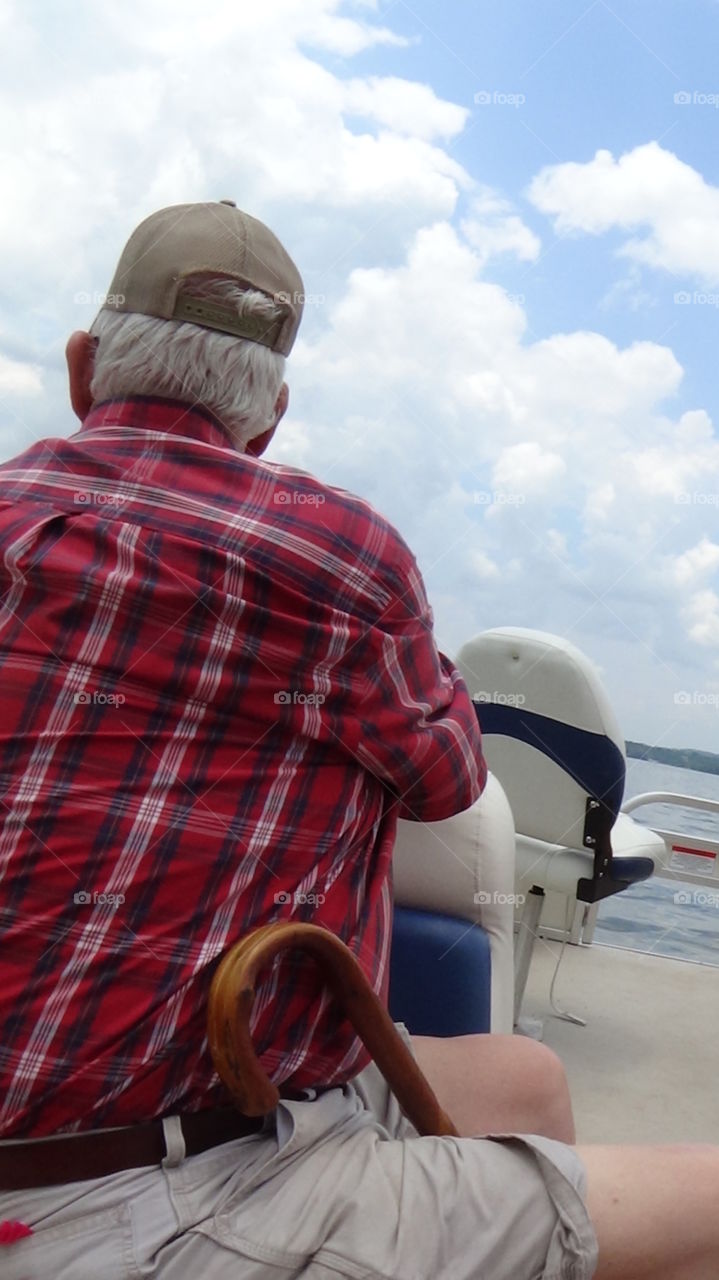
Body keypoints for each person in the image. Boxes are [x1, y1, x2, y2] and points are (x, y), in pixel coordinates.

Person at [0, 201, 717, 1280]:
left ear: (81, 367)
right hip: (131, 1188)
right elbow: (444, 780)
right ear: (273, 412)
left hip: (131, 1120)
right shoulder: (340, 559)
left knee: (521, 1078)